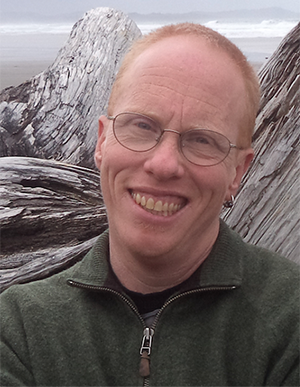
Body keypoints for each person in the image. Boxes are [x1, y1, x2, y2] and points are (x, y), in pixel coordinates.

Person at [1, 22, 300, 387]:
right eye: (141, 126)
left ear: (237, 172)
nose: (163, 164)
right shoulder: (19, 329)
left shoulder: (290, 321)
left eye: (202, 140)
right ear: (101, 142)